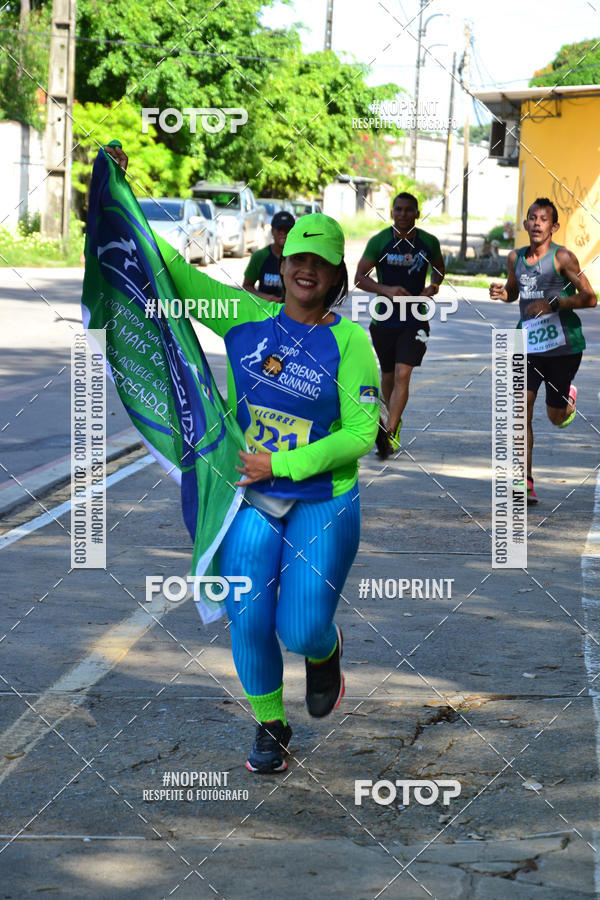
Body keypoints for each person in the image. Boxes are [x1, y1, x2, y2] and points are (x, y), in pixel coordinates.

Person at [104, 145, 380, 774]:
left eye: (321, 262)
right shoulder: (246, 318)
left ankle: (324, 651)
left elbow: (363, 432)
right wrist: (121, 200)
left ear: (337, 275)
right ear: (281, 262)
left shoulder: (350, 343)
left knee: (302, 626)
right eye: (297, 258)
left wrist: (281, 466)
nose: (306, 269)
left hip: (323, 498)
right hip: (247, 497)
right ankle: (270, 726)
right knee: (247, 613)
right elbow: (173, 273)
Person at [490, 197, 597, 502]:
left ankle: (567, 399)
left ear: (554, 226)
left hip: (563, 347)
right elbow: (514, 292)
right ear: (525, 223)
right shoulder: (515, 258)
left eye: (543, 219)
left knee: (555, 416)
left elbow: (590, 298)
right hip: (528, 345)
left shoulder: (562, 257)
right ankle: (525, 481)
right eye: (532, 218)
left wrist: (555, 303)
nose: (536, 224)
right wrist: (503, 292)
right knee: (520, 410)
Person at [355, 192, 445, 455]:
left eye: (409, 210)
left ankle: (389, 431)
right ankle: (394, 417)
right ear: (392, 212)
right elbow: (360, 277)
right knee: (388, 376)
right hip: (384, 319)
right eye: (399, 209)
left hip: (415, 319)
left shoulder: (428, 242)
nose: (403, 214)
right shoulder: (380, 241)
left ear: (417, 213)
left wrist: (434, 286)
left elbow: (439, 267)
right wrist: (386, 290)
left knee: (403, 374)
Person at [242, 210, 295, 302]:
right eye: (279, 229)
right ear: (272, 231)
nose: (283, 233)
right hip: (265, 311)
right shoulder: (259, 256)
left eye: (287, 230)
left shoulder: (300, 258)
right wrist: (265, 297)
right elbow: (247, 286)